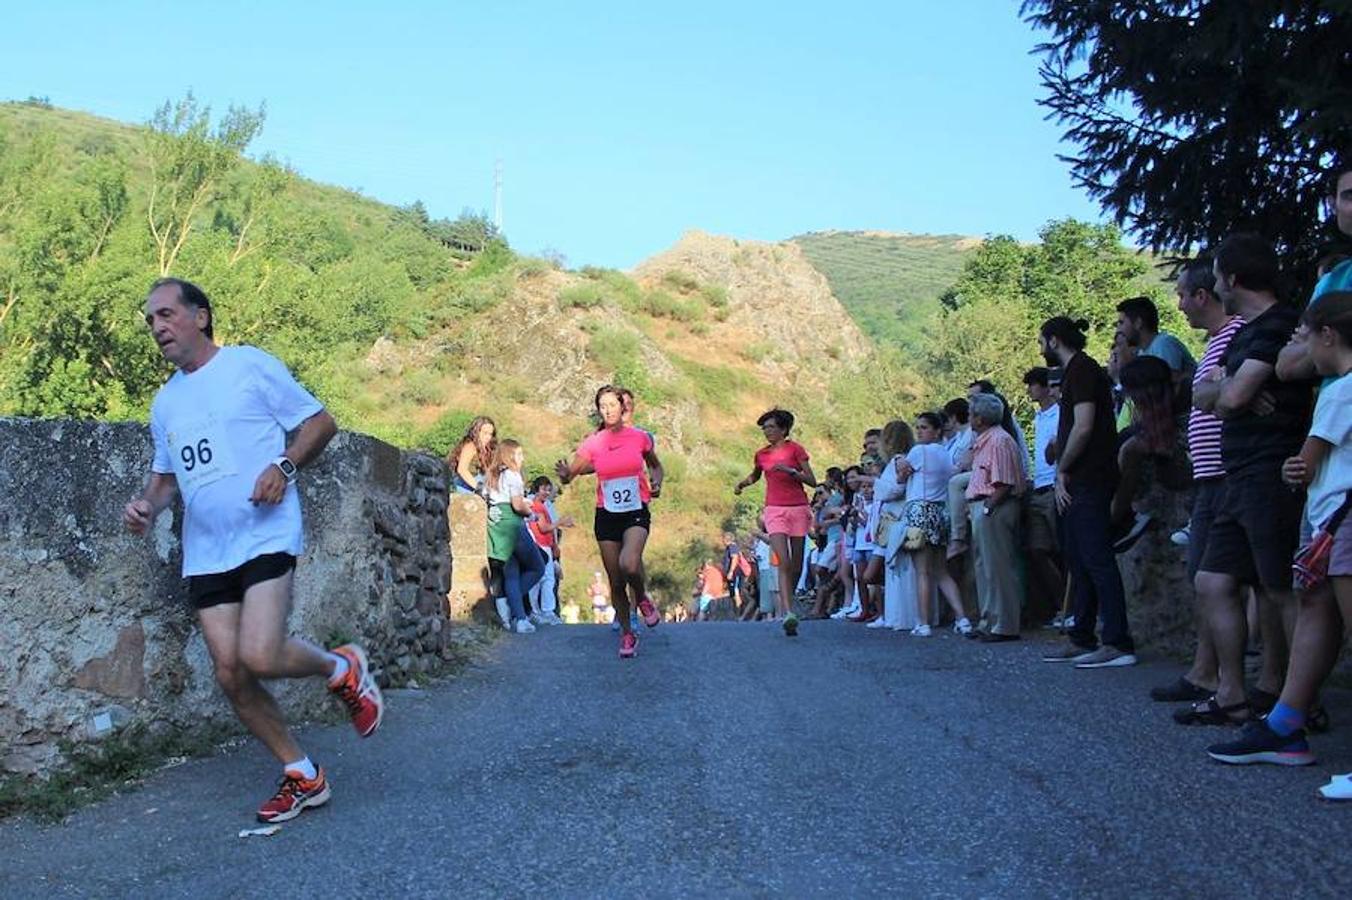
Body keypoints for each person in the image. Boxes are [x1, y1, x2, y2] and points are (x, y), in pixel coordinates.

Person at [124, 277, 382, 824]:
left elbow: (320, 422)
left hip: (264, 531)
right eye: (151, 321)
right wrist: (146, 505)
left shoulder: (248, 366)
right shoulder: (165, 402)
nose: (158, 328)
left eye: (167, 315)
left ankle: (342, 666)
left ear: (201, 316)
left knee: (260, 654)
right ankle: (303, 775)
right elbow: (165, 479)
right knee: (231, 673)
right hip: (206, 550)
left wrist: (284, 467)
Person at [1206, 291, 1352, 786]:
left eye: (1303, 338)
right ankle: (1286, 724)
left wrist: (1297, 467)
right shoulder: (1336, 387)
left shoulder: (1342, 390)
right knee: (1313, 603)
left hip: (1340, 517)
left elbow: (1308, 460)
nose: (1297, 349)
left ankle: (1288, 724)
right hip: (1330, 516)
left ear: (1328, 336)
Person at [1185, 234, 1313, 724]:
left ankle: (1299, 703)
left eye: (1217, 274)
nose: (1214, 284)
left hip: (1269, 473)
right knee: (1213, 580)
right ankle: (1233, 695)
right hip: (1237, 475)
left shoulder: (1280, 324)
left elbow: (1232, 398)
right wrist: (1228, 389)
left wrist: (1229, 390)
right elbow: (1212, 393)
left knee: (1278, 588)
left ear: (1232, 278)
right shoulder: (1243, 334)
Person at [1148, 258, 1245, 705]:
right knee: (1202, 576)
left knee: (1220, 579)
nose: (1180, 304)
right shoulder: (1213, 342)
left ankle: (1230, 683)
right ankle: (1206, 672)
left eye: (1183, 294)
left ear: (1202, 296)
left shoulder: (1237, 334)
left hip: (1229, 474)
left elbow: (1224, 395)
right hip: (1209, 477)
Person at [1039, 316, 1138, 668]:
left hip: (1090, 478)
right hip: (1078, 480)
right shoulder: (1077, 372)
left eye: (1042, 341)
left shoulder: (1082, 370)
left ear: (1053, 340)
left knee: (1096, 558)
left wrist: (1063, 470)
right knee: (1078, 559)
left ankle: (1117, 641)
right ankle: (1082, 636)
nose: (1040, 349)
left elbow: (1084, 426)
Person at [556, 385, 664, 658]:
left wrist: (657, 481)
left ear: (622, 407)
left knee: (629, 563)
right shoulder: (595, 442)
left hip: (635, 509)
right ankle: (628, 634)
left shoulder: (639, 437)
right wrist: (564, 473)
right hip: (606, 513)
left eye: (612, 405)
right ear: (599, 411)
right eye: (602, 406)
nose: (607, 410)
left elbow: (655, 465)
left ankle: (641, 597)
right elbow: (573, 472)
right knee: (615, 580)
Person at [734, 408, 818, 636]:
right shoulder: (761, 454)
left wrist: (792, 472)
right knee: (783, 560)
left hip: (799, 509)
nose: (767, 431)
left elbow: (812, 480)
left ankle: (790, 602)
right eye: (764, 428)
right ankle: (788, 613)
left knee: (797, 565)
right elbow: (756, 475)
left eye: (771, 427)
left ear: (783, 429)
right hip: (774, 510)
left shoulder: (796, 449)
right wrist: (743, 484)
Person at [898, 412, 971, 636]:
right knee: (941, 570)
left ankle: (923, 622)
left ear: (937, 430)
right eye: (918, 427)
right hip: (939, 511)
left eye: (924, 427)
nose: (919, 431)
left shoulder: (918, 451)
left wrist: (900, 461)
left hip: (918, 510)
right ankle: (962, 617)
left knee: (921, 571)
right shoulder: (946, 454)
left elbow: (901, 477)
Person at [964, 393, 1026, 642]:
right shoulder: (985, 441)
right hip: (984, 506)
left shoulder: (999, 441)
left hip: (995, 506)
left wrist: (988, 508)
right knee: (984, 567)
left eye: (971, 414)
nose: (969, 418)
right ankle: (988, 620)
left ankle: (1005, 625)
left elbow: (1003, 482)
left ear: (980, 418)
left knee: (998, 567)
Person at [485, 439, 546, 634]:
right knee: (538, 566)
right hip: (513, 526)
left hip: (497, 527)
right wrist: (532, 514)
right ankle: (511, 603)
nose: (522, 459)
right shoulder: (513, 475)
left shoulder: (492, 476)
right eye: (519, 454)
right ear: (509, 456)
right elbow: (517, 505)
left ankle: (519, 618)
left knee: (511, 572)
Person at [1023, 367, 1064, 625]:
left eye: (1032, 385)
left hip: (1054, 486)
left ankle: (1069, 609)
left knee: (1061, 550)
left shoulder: (1062, 414)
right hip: (1037, 486)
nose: (1028, 390)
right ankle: (1060, 603)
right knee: (1038, 550)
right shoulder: (1038, 418)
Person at [1116, 295, 1196, 390]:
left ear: (1138, 323)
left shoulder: (1164, 344)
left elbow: (1169, 388)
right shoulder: (1142, 354)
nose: (1118, 330)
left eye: (1121, 323)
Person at [448, 416, 496, 494]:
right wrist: (478, 487)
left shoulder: (488, 449)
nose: (488, 437)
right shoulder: (470, 446)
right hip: (465, 487)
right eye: (485, 433)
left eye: (490, 434)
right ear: (476, 432)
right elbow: (462, 469)